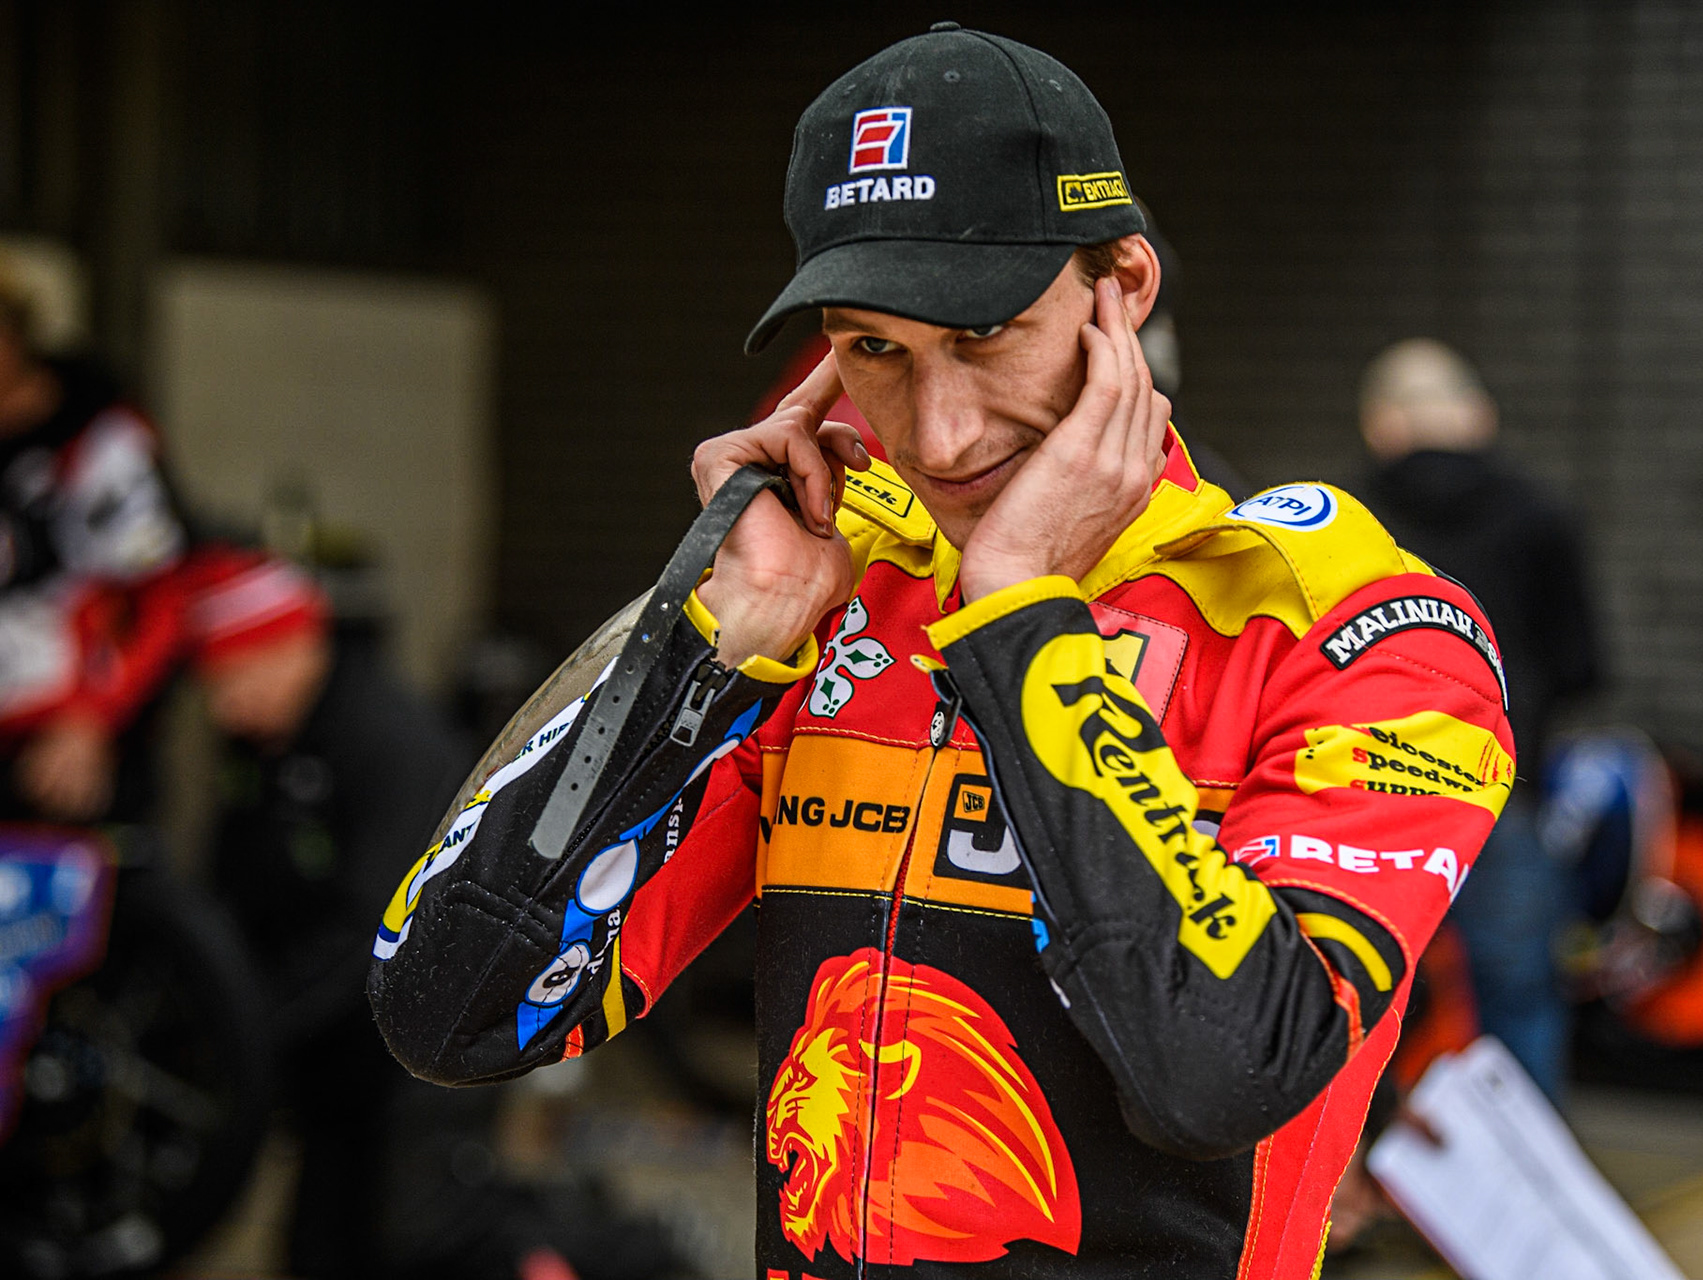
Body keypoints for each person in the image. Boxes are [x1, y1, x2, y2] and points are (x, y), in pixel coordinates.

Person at [372, 27, 1514, 1279]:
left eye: (984, 335)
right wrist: (711, 645)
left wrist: (1022, 618)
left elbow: (1216, 1070)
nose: (942, 430)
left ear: (1123, 288)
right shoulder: (827, 598)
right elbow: (454, 1008)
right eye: (875, 350)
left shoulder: (1365, 634)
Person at [1354, 338, 1605, 1100]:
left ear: (1379, 425)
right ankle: (1520, 1207)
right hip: (1502, 791)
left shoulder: (1347, 520)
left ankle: (1350, 1200)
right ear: (1479, 417)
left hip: (1366, 799)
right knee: (1520, 999)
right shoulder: (1541, 517)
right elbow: (1582, 668)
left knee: (1360, 995)